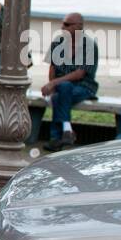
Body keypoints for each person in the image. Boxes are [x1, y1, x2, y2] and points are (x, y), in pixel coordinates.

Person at [41, 12, 99, 151]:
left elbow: (80, 74)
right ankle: (66, 132)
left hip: (83, 86)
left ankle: (56, 138)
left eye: (67, 24)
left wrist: (53, 84)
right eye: (62, 23)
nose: (62, 27)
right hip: (62, 87)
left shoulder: (89, 45)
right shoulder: (58, 42)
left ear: (79, 26)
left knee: (60, 95)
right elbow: (52, 67)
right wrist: (53, 85)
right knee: (60, 93)